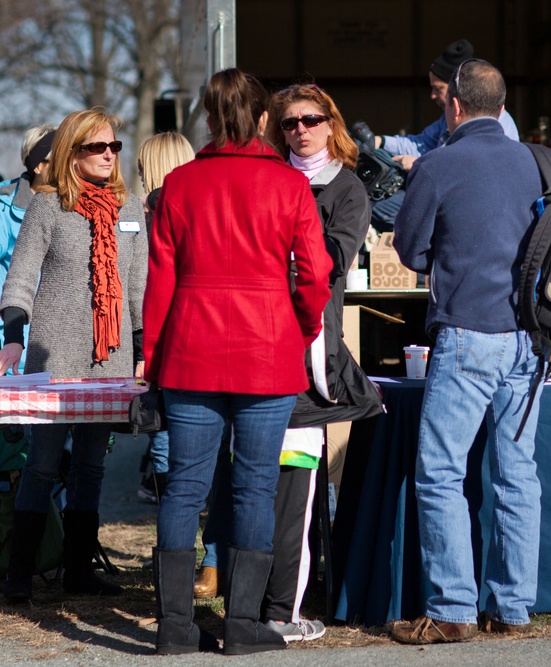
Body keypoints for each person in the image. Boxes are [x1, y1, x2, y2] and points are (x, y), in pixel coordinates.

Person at [143, 68, 331, 655]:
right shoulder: (289, 185)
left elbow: (159, 284)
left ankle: (175, 627)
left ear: (208, 118)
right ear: (263, 118)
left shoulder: (178, 184)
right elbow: (316, 274)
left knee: (184, 490)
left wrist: (153, 361)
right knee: (254, 488)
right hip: (267, 352)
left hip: (191, 354)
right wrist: (301, 326)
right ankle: (243, 627)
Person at [389, 59, 551, 644]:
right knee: (517, 476)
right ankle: (511, 608)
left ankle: (453, 608)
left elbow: (410, 251)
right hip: (530, 339)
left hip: (467, 332)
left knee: (440, 473)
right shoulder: (537, 162)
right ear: (502, 106)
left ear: (454, 106)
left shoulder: (438, 164)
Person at [0, 109, 147, 602]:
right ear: (72, 153)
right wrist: (14, 336)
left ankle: (78, 570)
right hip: (55, 357)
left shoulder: (131, 210)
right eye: (96, 147)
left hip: (112, 359)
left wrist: (146, 348)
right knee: (42, 464)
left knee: (91, 466)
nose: (108, 155)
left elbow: (138, 289)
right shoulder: (47, 207)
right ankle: (19, 573)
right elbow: (18, 279)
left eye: (114, 147)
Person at [260, 82, 384, 643]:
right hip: (252, 349)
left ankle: (285, 607)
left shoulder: (346, 188)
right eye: (290, 123)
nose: (301, 130)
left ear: (330, 123)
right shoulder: (266, 177)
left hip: (309, 354)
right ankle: (254, 601)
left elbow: (331, 260)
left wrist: (270, 254)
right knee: (252, 482)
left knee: (297, 485)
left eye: (311, 119)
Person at [364, 39, 520, 227]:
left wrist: (419, 165)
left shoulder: (498, 128)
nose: (432, 95)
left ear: (457, 93)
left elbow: (471, 175)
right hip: (450, 200)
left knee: (373, 205)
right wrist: (379, 141)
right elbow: (422, 143)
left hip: (468, 212)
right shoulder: (446, 120)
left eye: (438, 88)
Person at [134, 131, 195, 506]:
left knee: (164, 432)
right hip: (193, 333)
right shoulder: (201, 207)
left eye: (143, 166)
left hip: (160, 337)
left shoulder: (147, 216)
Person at [0, 124, 57, 373]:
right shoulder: (4, 207)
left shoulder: (72, 205)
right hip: (11, 346)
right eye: (59, 158)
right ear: (38, 166)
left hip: (57, 343)